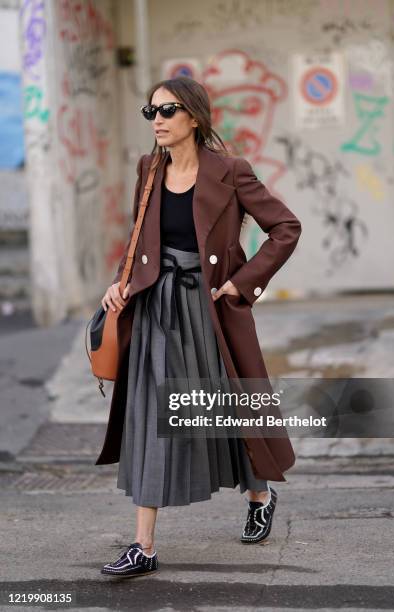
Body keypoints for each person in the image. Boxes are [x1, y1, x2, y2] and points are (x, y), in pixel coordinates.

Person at [98, 77, 301, 578]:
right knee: (151, 413)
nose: (158, 121)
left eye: (167, 111)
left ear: (194, 116)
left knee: (226, 409)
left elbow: (285, 228)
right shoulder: (148, 170)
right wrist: (120, 282)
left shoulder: (231, 172)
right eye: (151, 113)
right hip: (155, 308)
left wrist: (240, 282)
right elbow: (139, 236)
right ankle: (143, 545)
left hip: (207, 308)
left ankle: (259, 492)